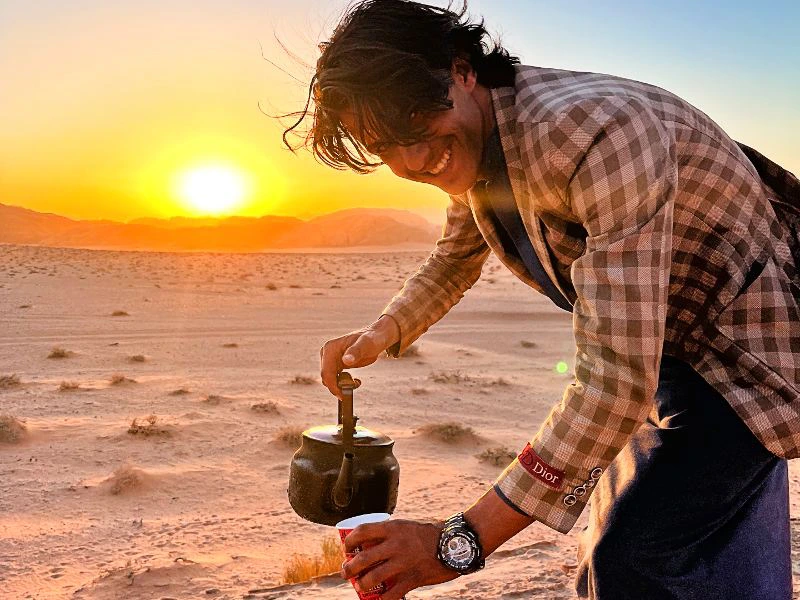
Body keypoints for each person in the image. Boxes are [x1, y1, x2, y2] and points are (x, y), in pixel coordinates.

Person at [282, 1, 800, 598]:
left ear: (462, 70)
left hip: (750, 362)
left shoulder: (596, 136)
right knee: (634, 552)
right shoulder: (484, 140)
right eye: (385, 146)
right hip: (667, 356)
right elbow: (455, 253)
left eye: (419, 123)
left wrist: (458, 541)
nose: (414, 161)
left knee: (638, 561)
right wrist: (380, 335)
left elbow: (613, 382)